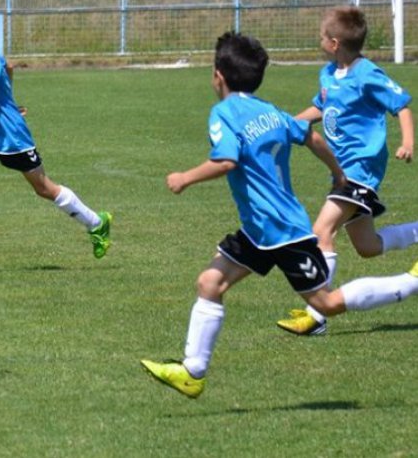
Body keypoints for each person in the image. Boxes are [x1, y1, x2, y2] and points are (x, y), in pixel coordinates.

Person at [141, 32, 418, 399]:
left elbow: (226, 160)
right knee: (210, 283)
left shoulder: (223, 113)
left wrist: (185, 178)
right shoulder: (270, 111)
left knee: (327, 304)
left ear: (218, 75)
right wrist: (337, 172)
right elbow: (311, 137)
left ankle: (413, 283)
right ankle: (192, 371)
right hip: (258, 230)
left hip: (284, 232)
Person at [277, 6, 417, 336]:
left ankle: (317, 314)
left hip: (361, 169)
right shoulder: (329, 73)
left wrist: (408, 141)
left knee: (322, 230)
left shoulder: (367, 74)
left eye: (323, 36)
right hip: (341, 171)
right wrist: (289, 124)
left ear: (335, 42)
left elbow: (402, 105)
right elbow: (321, 105)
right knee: (367, 246)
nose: (319, 40)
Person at [0, 1, 112, 258]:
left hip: (13, 139)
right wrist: (8, 101)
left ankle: (97, 224)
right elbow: (8, 68)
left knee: (45, 189)